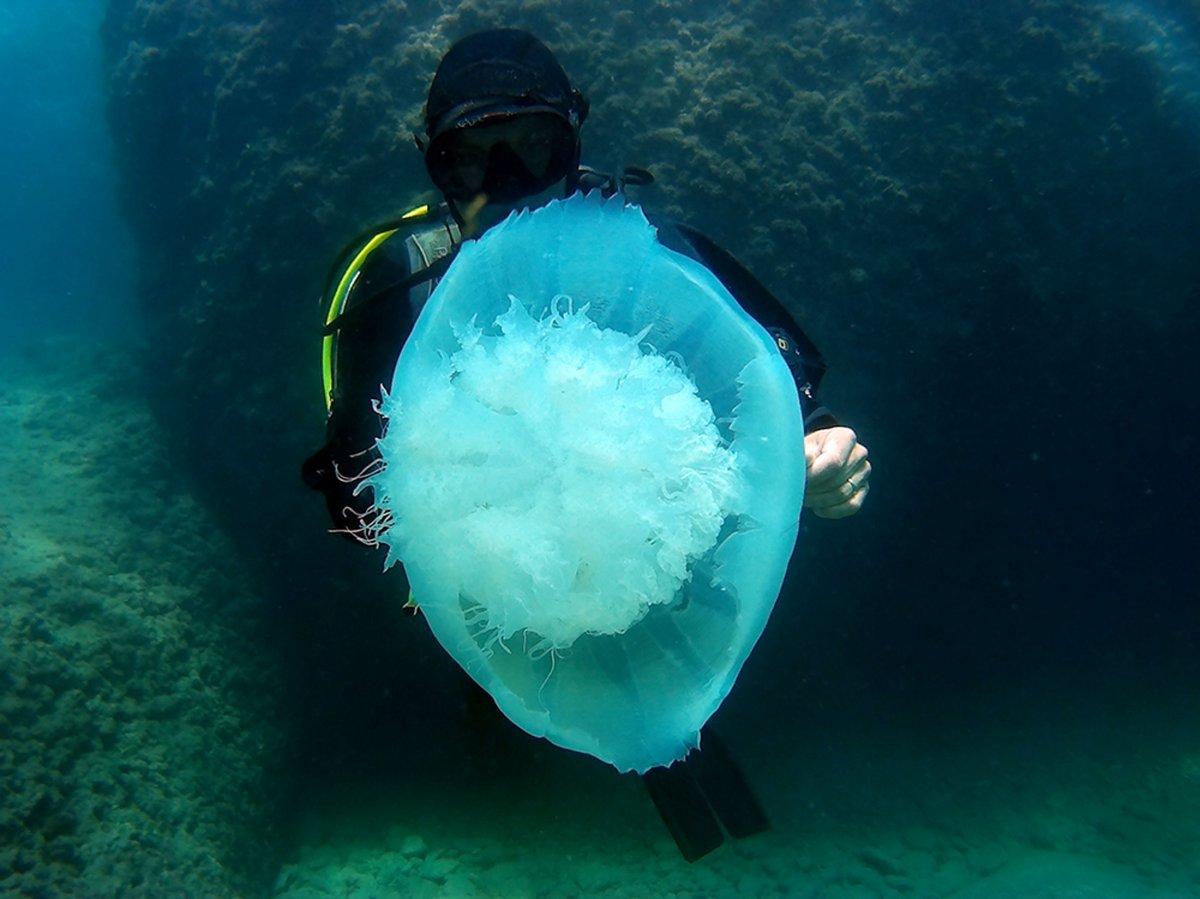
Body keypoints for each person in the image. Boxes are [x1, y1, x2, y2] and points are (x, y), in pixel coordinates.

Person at [301, 27, 871, 860]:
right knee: (504, 745)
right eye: (472, 159)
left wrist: (822, 453)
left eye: (533, 148)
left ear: (574, 140)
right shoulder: (388, 281)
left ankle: (676, 758)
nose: (505, 185)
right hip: (482, 604)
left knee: (673, 710)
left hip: (682, 576)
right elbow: (350, 484)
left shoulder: (644, 250)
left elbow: (774, 374)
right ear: (435, 164)